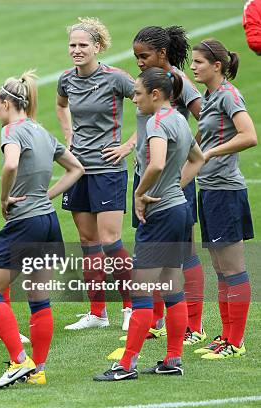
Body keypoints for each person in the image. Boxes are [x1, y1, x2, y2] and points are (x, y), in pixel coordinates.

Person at [94, 67, 204, 381]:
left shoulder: (156, 123)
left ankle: (126, 365)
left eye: (138, 94)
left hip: (160, 214)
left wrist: (142, 194)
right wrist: (174, 187)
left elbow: (155, 164)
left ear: (155, 95)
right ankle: (173, 358)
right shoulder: (180, 119)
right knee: (172, 286)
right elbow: (198, 159)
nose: (134, 100)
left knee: (141, 292)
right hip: (179, 209)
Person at [0, 71, 84, 388]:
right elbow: (77, 168)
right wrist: (47, 195)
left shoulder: (13, 131)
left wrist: (3, 198)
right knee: (39, 299)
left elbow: (10, 165)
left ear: (8, 103)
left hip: (23, 223)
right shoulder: (41, 131)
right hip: (48, 222)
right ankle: (37, 369)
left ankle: (19, 360)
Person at [56, 17, 134, 331]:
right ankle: (98, 313)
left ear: (97, 47)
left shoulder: (117, 78)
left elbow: (155, 109)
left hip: (108, 170)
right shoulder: (65, 79)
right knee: (88, 241)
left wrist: (127, 145)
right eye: (73, 45)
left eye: (83, 45)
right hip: (78, 169)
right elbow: (61, 106)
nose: (76, 50)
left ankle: (131, 307)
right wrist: (68, 135)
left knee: (111, 241)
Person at [130, 26, 206, 345]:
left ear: (162, 54)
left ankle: (193, 325)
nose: (140, 63)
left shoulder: (178, 82)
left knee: (182, 252)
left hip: (170, 181)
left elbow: (206, 118)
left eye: (144, 56)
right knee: (153, 255)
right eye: (136, 57)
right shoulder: (147, 88)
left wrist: (178, 167)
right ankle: (157, 320)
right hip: (144, 174)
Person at [190, 39, 256, 359]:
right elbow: (203, 137)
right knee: (219, 268)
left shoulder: (229, 95)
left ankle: (236, 342)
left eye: (199, 62)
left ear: (217, 66)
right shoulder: (211, 95)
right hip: (211, 190)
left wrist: (211, 152)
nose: (193, 67)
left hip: (227, 191)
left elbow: (249, 135)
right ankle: (226, 337)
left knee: (232, 268)